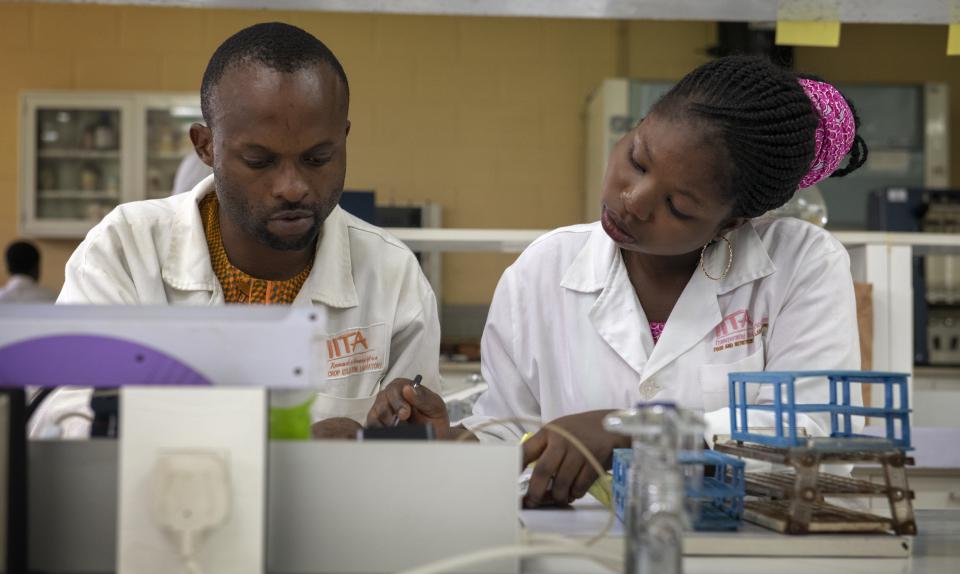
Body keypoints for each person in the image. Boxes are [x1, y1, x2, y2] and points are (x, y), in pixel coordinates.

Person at [370, 56, 869, 506]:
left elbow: (815, 436)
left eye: (677, 206)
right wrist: (460, 443)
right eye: (636, 158)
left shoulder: (801, 265)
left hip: (748, 564)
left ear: (731, 223)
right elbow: (515, 433)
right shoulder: (541, 271)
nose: (633, 199)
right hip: (580, 563)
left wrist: (639, 434)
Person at [37, 22, 440, 438]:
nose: (292, 187)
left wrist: (407, 439)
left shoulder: (392, 275)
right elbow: (68, 423)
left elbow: (415, 445)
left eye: (318, 158)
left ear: (344, 138)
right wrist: (280, 448)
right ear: (205, 146)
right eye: (259, 161)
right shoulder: (125, 250)